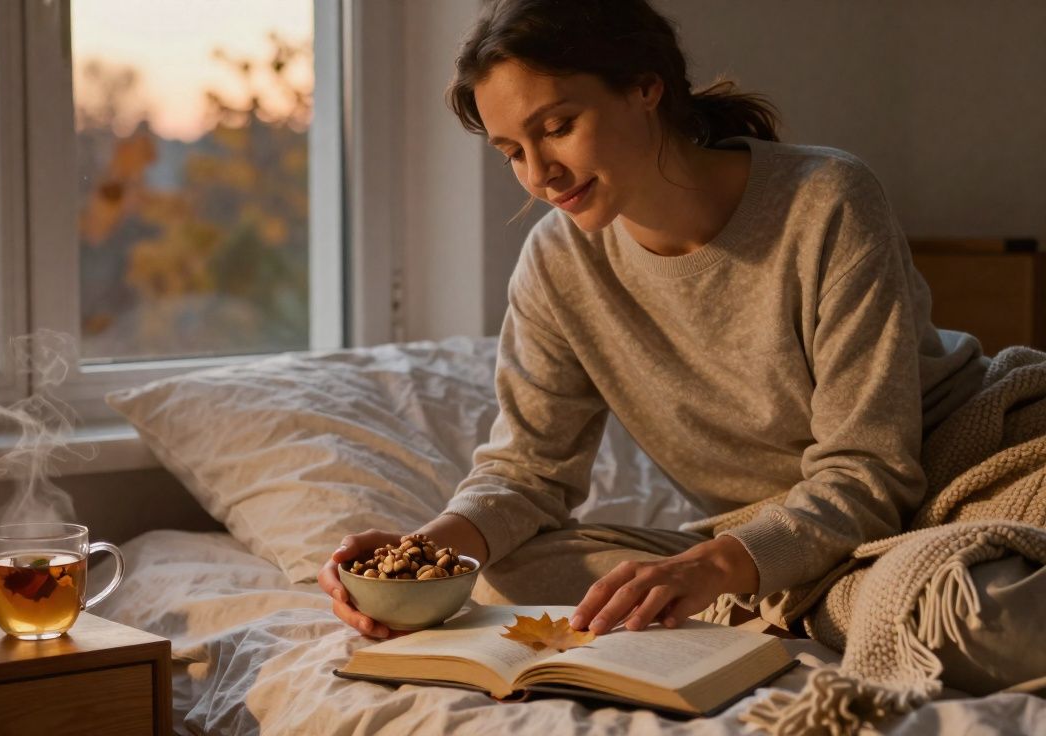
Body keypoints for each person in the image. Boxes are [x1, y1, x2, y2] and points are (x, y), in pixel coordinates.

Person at [318, 0, 988, 642]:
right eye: (512, 151)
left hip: (958, 475)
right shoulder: (557, 262)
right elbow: (530, 473)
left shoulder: (825, 202)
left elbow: (869, 470)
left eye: (556, 128)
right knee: (505, 575)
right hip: (777, 533)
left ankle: (822, 593)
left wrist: (715, 569)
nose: (541, 175)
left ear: (646, 87)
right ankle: (814, 592)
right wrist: (417, 559)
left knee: (976, 619)